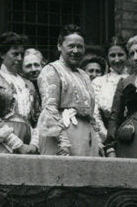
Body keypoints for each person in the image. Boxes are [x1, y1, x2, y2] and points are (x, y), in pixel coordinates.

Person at [36, 25, 108, 157]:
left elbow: (91, 114)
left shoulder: (84, 75)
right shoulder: (52, 70)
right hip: (62, 137)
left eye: (80, 46)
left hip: (86, 137)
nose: (75, 50)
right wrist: (63, 141)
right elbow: (49, 109)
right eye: (71, 46)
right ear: (59, 46)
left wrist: (97, 140)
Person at [0, 31, 40, 155]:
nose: (19, 58)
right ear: (2, 54)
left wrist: (34, 144)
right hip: (2, 141)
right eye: (15, 54)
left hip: (28, 140)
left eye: (21, 54)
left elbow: (37, 117)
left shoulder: (28, 84)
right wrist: (17, 145)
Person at [92, 36, 128, 130]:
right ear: (107, 57)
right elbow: (95, 113)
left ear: (127, 56)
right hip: (105, 135)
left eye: (120, 55)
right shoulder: (99, 82)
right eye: (112, 55)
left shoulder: (136, 81)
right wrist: (105, 135)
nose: (116, 60)